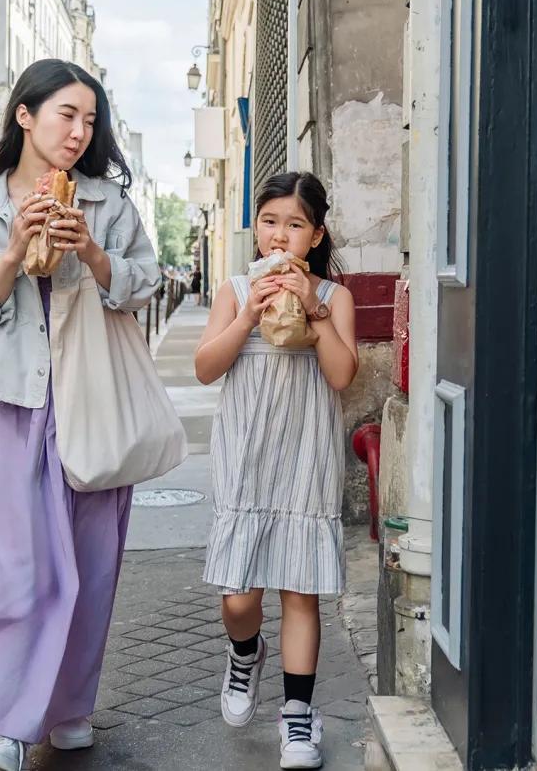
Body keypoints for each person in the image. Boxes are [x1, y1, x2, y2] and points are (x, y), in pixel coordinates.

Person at [0, 59, 160, 771]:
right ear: (25, 116)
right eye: (67, 114)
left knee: (89, 570)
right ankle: (5, 723)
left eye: (90, 120)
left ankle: (67, 706)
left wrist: (91, 253)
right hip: (9, 406)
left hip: (88, 404)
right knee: (10, 570)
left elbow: (146, 282)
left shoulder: (107, 203)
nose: (80, 131)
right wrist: (10, 254)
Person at [195, 172, 358, 769]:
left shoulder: (333, 297)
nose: (281, 235)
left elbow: (342, 376)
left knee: (299, 590)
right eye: (270, 222)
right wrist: (246, 317)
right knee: (239, 595)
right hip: (246, 453)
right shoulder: (236, 288)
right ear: (256, 228)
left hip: (306, 454)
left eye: (295, 225)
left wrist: (313, 313)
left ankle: (297, 718)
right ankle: (245, 653)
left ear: (315, 235)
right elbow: (206, 368)